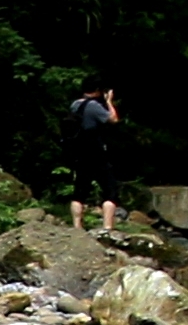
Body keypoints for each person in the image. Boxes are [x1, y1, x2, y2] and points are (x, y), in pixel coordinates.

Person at [61, 78, 142, 237]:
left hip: (79, 154)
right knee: (110, 190)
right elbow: (113, 119)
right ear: (97, 90)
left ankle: (76, 227)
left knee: (79, 192)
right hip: (96, 154)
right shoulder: (94, 106)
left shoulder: (75, 105)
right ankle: (107, 228)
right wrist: (109, 101)